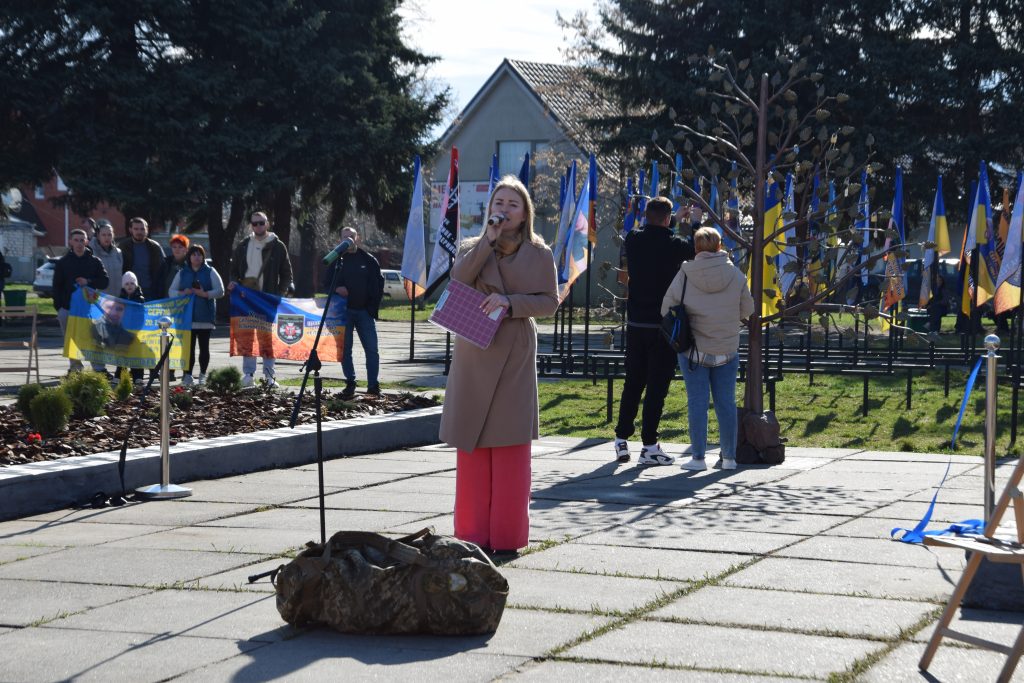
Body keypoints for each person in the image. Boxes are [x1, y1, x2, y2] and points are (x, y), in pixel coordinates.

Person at [439, 176, 558, 554]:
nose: (503, 209)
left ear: (524, 215)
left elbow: (549, 302)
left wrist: (511, 303)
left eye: (512, 204)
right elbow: (458, 280)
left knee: (509, 444)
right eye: (498, 203)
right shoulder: (471, 247)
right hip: (474, 346)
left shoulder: (539, 253)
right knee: (472, 440)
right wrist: (486, 242)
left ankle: (507, 537)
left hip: (513, 350)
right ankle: (471, 534)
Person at [662, 227, 754, 471]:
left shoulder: (685, 273)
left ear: (696, 248)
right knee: (726, 403)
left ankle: (698, 458)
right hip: (727, 348)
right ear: (719, 246)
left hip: (694, 349)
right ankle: (729, 458)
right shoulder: (736, 274)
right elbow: (748, 309)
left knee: (697, 403)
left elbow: (666, 308)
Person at [612, 196, 694, 465]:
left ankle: (621, 438)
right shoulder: (675, 245)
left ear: (646, 216)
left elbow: (645, 231)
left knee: (633, 383)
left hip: (636, 323)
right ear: (668, 218)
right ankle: (649, 445)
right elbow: (694, 250)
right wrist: (690, 222)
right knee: (656, 387)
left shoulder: (633, 239)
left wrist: (672, 220)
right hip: (663, 326)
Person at [228, 211, 294, 387]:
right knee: (247, 338)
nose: (258, 226)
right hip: (246, 299)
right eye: (255, 223)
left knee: (267, 339)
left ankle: (269, 376)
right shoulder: (243, 245)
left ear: (267, 223)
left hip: (267, 299)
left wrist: (278, 293)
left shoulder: (277, 246)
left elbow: (287, 274)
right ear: (251, 225)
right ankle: (248, 375)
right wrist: (234, 283)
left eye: (261, 222)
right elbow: (233, 271)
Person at [322, 227, 384, 398]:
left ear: (358, 238)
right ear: (339, 240)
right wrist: (336, 289)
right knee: (345, 350)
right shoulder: (336, 260)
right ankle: (350, 383)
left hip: (365, 313)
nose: (348, 240)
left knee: (372, 350)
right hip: (344, 314)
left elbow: (379, 285)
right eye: (345, 237)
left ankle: (373, 385)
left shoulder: (369, 260)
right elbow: (325, 285)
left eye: (351, 237)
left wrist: (372, 308)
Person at [53, 229, 109, 373]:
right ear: (70, 242)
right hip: (68, 308)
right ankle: (75, 368)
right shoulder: (63, 263)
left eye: (82, 240)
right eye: (76, 240)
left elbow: (104, 281)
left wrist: (88, 281)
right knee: (71, 338)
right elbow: (56, 286)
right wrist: (59, 308)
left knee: (95, 338)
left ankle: (99, 368)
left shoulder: (95, 261)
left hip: (89, 309)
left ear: (87, 242)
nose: (79, 243)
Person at [171, 244, 224, 386]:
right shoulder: (182, 273)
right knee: (188, 349)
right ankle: (187, 376)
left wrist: (204, 294)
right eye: (194, 254)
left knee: (204, 348)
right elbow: (171, 291)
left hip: (205, 317)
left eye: (199, 254)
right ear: (189, 257)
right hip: (187, 318)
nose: (196, 257)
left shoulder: (210, 271)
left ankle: (202, 375)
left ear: (203, 257)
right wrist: (183, 293)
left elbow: (220, 291)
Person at [118, 217, 164, 300]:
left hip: (151, 292)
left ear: (147, 230)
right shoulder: (123, 246)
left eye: (142, 229)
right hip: (129, 292)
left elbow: (163, 269)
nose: (139, 232)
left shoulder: (155, 247)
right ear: (130, 230)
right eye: (136, 229)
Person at [119, 271, 145, 383]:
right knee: (122, 354)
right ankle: (120, 375)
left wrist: (136, 330)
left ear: (136, 285)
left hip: (136, 333)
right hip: (123, 332)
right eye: (127, 284)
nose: (129, 286)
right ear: (123, 286)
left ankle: (138, 376)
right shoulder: (120, 299)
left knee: (136, 355)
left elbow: (141, 317)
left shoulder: (140, 299)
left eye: (132, 283)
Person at [89, 220, 123, 296]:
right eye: (103, 235)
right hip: (99, 299)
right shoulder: (91, 253)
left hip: (116, 298)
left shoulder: (118, 252)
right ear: (98, 236)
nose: (107, 237)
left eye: (109, 235)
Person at [158, 234, 190, 299]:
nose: (177, 249)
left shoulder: (190, 264)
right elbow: (159, 282)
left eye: (180, 247)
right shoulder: (166, 262)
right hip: (166, 300)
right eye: (174, 247)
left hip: (184, 300)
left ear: (186, 249)